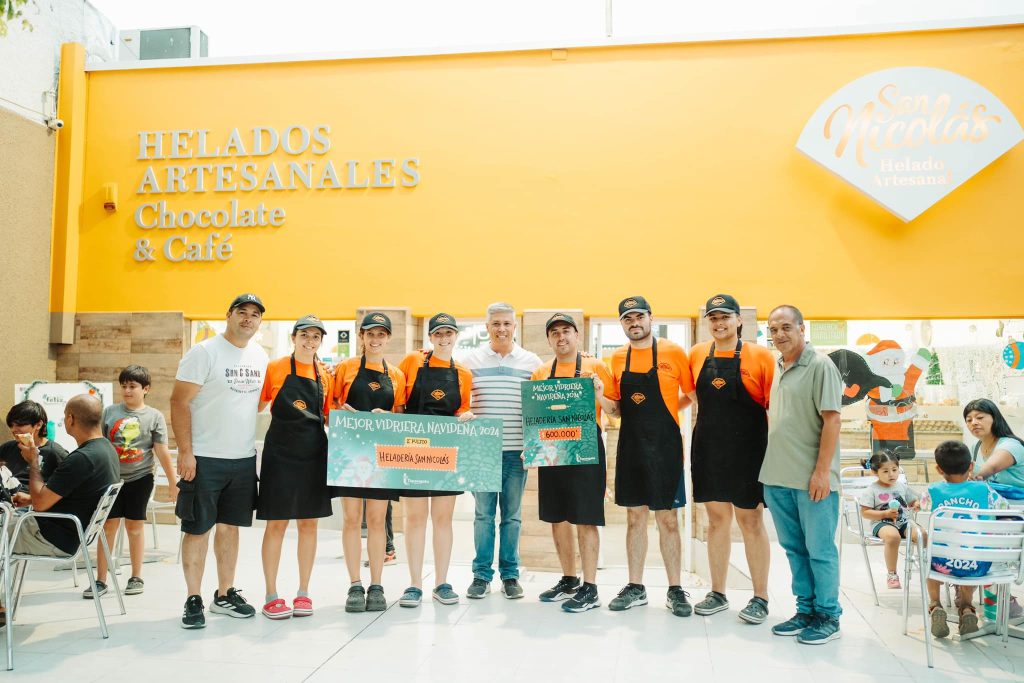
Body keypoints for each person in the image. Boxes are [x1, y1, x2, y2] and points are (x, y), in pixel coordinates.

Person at [171, 293, 269, 629]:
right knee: (198, 528)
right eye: (242, 312)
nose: (248, 318)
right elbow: (179, 402)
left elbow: (256, 403)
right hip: (204, 458)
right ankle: (193, 598)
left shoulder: (260, 356)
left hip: (242, 459)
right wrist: (186, 452)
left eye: (255, 314)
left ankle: (225, 594)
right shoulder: (204, 352)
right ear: (228, 315)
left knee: (230, 528)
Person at [603, 296, 695, 616]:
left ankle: (675, 589)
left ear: (651, 318)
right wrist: (597, 393)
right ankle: (635, 587)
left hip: (666, 448)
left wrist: (670, 411)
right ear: (622, 324)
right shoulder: (617, 358)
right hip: (631, 448)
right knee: (635, 518)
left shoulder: (673, 352)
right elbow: (616, 409)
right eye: (627, 319)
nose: (634, 323)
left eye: (639, 316)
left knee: (668, 519)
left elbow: (692, 395)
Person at [759, 304, 844, 645]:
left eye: (786, 327)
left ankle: (828, 616)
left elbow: (832, 420)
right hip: (778, 477)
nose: (779, 334)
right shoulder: (779, 366)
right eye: (773, 329)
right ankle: (805, 611)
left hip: (813, 481)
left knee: (820, 550)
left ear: (801, 329)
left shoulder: (821, 365)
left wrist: (822, 472)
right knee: (795, 550)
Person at [688, 294, 775, 624]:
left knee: (750, 521)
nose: (719, 323)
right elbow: (691, 395)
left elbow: (773, 407)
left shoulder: (761, 356)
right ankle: (718, 592)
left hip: (749, 450)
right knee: (716, 521)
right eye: (713, 318)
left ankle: (760, 597)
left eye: (725, 317)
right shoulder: (697, 354)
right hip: (709, 448)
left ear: (739, 320)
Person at [2, 395, 118, 626]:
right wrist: (32, 499)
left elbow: (40, 504)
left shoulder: (81, 458)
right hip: (74, 533)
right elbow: (67, 496)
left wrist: (33, 462)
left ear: (70, 419)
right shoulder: (106, 449)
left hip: (53, 536)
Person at [531, 313, 616, 613]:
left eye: (566, 331)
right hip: (552, 447)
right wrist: (531, 448)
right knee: (557, 516)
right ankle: (569, 580)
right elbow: (535, 417)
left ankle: (590, 588)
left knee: (586, 516)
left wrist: (600, 395)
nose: (561, 337)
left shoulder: (597, 367)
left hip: (586, 447)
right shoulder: (541, 372)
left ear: (577, 335)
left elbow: (615, 411)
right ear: (549, 340)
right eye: (554, 333)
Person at [460, 302, 542, 600]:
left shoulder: (531, 363)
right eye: (496, 323)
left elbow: (538, 409)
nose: (502, 329)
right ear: (487, 327)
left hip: (516, 453)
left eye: (507, 323)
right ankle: (481, 576)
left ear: (515, 326)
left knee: (512, 517)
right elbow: (460, 403)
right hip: (482, 452)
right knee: (483, 516)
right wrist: (464, 416)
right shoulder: (470, 361)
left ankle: (510, 575)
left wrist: (534, 447)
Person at [257, 315, 334, 620]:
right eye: (304, 335)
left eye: (316, 337)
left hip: (313, 455)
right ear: (293, 338)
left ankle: (303, 592)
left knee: (308, 524)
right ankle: (271, 594)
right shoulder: (275, 367)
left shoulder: (325, 375)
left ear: (320, 342)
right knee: (276, 524)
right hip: (280, 455)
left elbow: (329, 416)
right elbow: (256, 406)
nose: (309, 341)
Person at [397, 313, 475, 608]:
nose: (443, 339)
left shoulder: (464, 373)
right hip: (414, 450)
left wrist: (466, 416)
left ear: (456, 336)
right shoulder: (412, 361)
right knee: (415, 519)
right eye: (438, 334)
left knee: (443, 519)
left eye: (448, 333)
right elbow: (399, 403)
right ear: (430, 337)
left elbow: (462, 409)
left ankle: (442, 582)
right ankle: (414, 584)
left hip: (446, 452)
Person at [333, 312, 406, 613]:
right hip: (349, 452)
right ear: (361, 336)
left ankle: (376, 585)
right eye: (370, 334)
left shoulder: (397, 375)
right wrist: (341, 412)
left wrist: (389, 417)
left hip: (382, 455)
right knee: (351, 520)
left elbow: (401, 417)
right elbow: (331, 408)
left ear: (388, 338)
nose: (375, 339)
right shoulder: (345, 368)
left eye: (381, 334)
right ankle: (354, 584)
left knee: (377, 521)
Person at [88, 365, 178, 599]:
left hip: (140, 478)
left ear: (146, 389)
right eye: (124, 386)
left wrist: (172, 482)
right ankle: (100, 579)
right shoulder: (109, 412)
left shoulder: (154, 416)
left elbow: (161, 450)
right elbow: (97, 444)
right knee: (107, 527)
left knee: (135, 527)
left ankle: (136, 576)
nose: (127, 391)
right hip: (111, 479)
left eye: (133, 386)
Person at [923, 440, 1008, 638]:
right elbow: (1005, 510)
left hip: (941, 564)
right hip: (977, 564)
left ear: (938, 469)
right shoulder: (985, 491)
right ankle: (967, 608)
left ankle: (935, 605)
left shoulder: (932, 492)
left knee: (929, 554)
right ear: (971, 466)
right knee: (970, 550)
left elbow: (921, 506)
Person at [856, 451, 921, 590]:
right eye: (885, 471)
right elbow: (865, 512)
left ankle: (927, 564)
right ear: (875, 472)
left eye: (894, 470)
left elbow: (912, 501)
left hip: (903, 521)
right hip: (882, 523)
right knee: (892, 537)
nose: (891, 474)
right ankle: (892, 574)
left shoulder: (901, 486)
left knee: (922, 535)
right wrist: (884, 513)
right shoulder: (872, 490)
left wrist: (916, 504)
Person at [1, 400, 68, 487]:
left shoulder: (55, 452)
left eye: (20, 425)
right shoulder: (8, 447)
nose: (13, 430)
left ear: (38, 425)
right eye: (11, 425)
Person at [963, 398, 1024, 488]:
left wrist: (971, 479)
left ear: (995, 418)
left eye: (980, 417)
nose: (974, 423)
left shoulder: (1011, 445)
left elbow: (992, 468)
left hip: (1015, 497)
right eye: (969, 420)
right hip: (990, 496)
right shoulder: (975, 447)